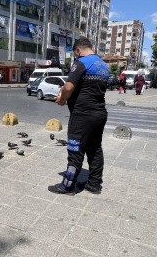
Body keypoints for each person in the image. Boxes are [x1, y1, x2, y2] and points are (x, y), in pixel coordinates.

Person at [48, 37, 109, 195]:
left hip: (83, 114)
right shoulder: (103, 65)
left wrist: (62, 99)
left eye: (76, 54)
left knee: (75, 149)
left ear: (78, 50)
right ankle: (94, 184)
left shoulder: (81, 62)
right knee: (95, 148)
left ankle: (67, 186)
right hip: (99, 113)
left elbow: (69, 87)